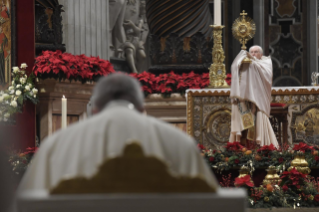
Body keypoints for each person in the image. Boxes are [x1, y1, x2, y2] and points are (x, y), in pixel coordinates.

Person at [17, 73, 219, 193]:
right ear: (142, 108)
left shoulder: (56, 146)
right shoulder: (180, 142)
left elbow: (29, 202)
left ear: (94, 109)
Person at [229, 45, 279, 149]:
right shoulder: (246, 62)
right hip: (245, 99)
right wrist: (241, 61)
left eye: (256, 52)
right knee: (244, 123)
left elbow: (266, 78)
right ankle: (241, 147)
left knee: (258, 122)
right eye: (251, 52)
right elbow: (235, 68)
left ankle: (263, 148)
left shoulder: (265, 63)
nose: (253, 54)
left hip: (259, 101)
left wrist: (251, 63)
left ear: (261, 54)